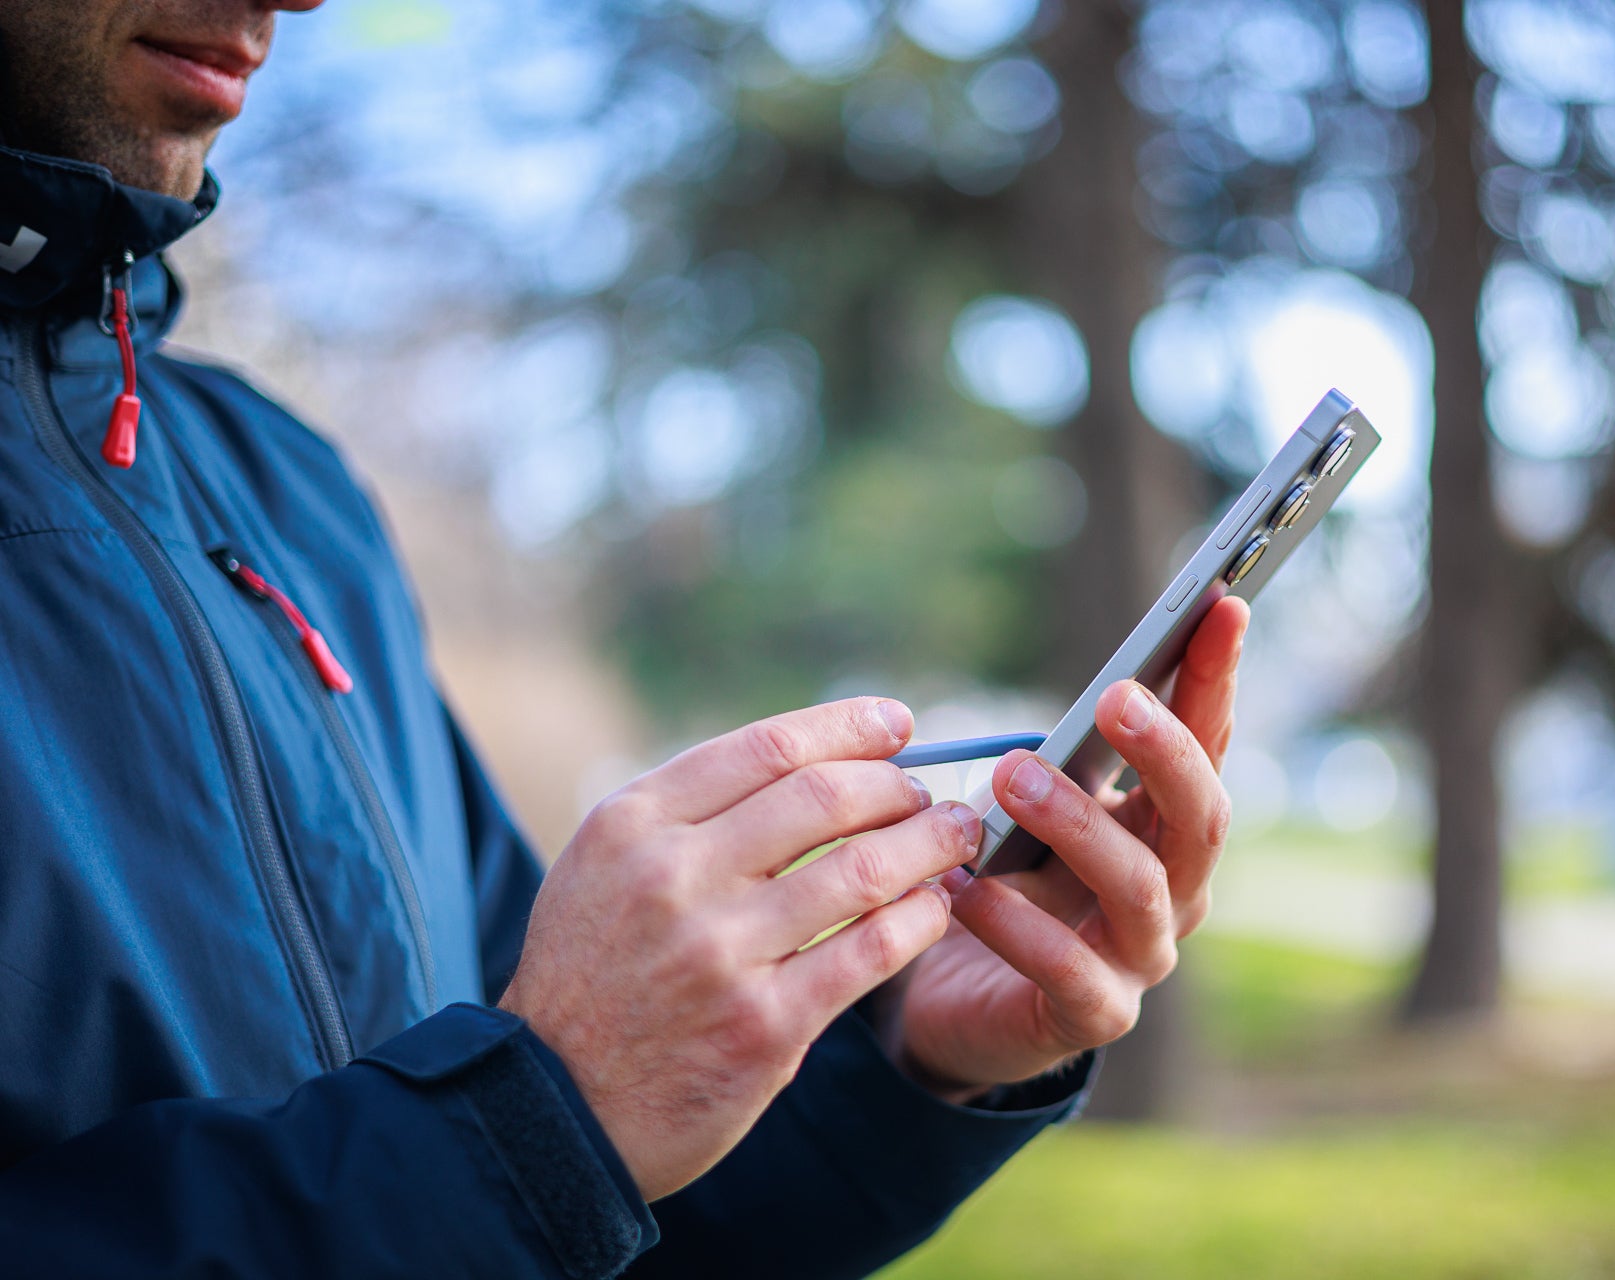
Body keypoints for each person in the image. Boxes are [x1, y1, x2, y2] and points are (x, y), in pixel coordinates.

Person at [0, 1, 1250, 1275]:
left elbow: (567, 1185)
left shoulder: (286, 490)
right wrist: (526, 1129)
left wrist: (902, 1064)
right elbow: (511, 1140)